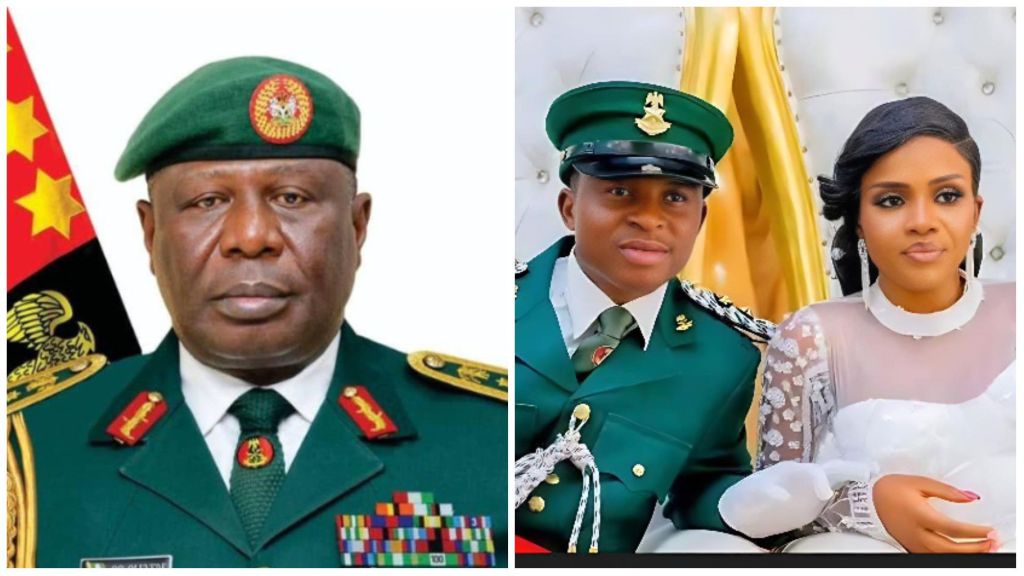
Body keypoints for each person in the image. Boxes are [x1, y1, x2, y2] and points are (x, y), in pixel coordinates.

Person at [6, 56, 507, 568]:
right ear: (151, 234)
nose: (250, 237)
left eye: (292, 198)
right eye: (207, 201)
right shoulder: (26, 447)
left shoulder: (493, 437)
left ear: (357, 227)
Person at [717, 96, 1014, 553]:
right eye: (892, 200)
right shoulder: (811, 341)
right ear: (858, 220)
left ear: (975, 211)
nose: (922, 222)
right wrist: (866, 505)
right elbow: (771, 519)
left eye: (947, 196)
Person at [514, 80, 775, 554]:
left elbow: (704, 485)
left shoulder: (721, 358)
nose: (649, 219)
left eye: (675, 198)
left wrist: (761, 505)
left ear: (700, 219)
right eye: (620, 191)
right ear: (569, 208)